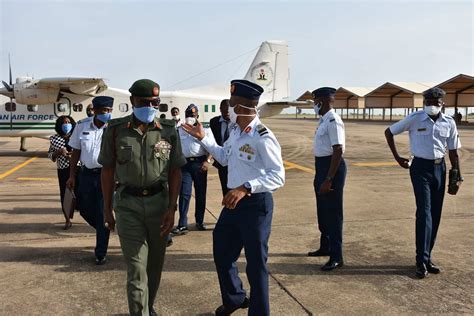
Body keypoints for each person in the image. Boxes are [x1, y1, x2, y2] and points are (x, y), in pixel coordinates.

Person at [182, 79, 285, 316]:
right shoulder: (236, 132)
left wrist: (246, 187)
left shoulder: (263, 136)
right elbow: (224, 158)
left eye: (231, 104)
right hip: (233, 205)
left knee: (256, 265)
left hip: (256, 205)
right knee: (222, 252)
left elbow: (278, 176)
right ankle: (234, 298)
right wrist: (203, 138)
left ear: (242, 108)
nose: (227, 108)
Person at [99, 79, 186, 316]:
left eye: (154, 102)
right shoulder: (116, 130)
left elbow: (176, 170)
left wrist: (172, 208)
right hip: (128, 205)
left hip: (160, 204)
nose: (149, 106)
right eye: (144, 102)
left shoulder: (168, 130)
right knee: (137, 269)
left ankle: (149, 306)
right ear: (132, 102)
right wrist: (107, 209)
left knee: (154, 267)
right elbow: (107, 170)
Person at [384, 87, 463, 279]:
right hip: (419, 168)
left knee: (435, 214)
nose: (431, 106)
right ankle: (420, 260)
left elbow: (453, 151)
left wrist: (457, 174)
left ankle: (427, 257)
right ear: (424, 103)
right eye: (428, 102)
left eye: (435, 103)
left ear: (442, 104)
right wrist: (397, 157)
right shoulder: (415, 118)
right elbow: (389, 132)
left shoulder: (449, 122)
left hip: (439, 168)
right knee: (424, 212)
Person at [67, 96, 113, 265]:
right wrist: (72, 175)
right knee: (84, 209)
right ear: (95, 110)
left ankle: (100, 252)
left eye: (109, 111)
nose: (107, 114)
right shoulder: (82, 126)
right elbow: (76, 152)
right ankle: (105, 228)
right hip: (86, 175)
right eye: (103, 111)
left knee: (102, 212)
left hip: (106, 176)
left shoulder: (113, 129)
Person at [307, 87, 347, 271]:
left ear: (321, 101)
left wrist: (329, 178)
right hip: (322, 166)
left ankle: (337, 256)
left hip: (332, 168)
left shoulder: (333, 120)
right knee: (322, 210)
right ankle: (325, 246)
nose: (314, 104)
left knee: (333, 213)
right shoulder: (324, 120)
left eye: (315, 101)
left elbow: (338, 149)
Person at [172, 104, 212, 235]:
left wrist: (207, 161)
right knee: (184, 194)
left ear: (197, 116)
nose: (190, 117)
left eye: (193, 115)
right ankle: (182, 224)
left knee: (200, 194)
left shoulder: (205, 129)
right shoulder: (180, 129)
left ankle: (199, 221)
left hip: (200, 164)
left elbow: (211, 147)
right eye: (188, 115)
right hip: (185, 165)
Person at [48, 115, 77, 230]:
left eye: (68, 122)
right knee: (65, 195)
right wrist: (58, 153)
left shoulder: (76, 137)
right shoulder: (54, 139)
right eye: (64, 122)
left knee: (81, 192)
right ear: (59, 125)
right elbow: (51, 155)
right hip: (63, 170)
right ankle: (67, 220)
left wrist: (74, 156)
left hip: (77, 168)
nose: (66, 124)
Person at [210, 99, 231, 196]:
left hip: (235, 161)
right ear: (220, 110)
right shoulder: (214, 122)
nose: (227, 113)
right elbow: (212, 140)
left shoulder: (237, 123)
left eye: (229, 110)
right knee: (225, 188)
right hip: (221, 162)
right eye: (224, 111)